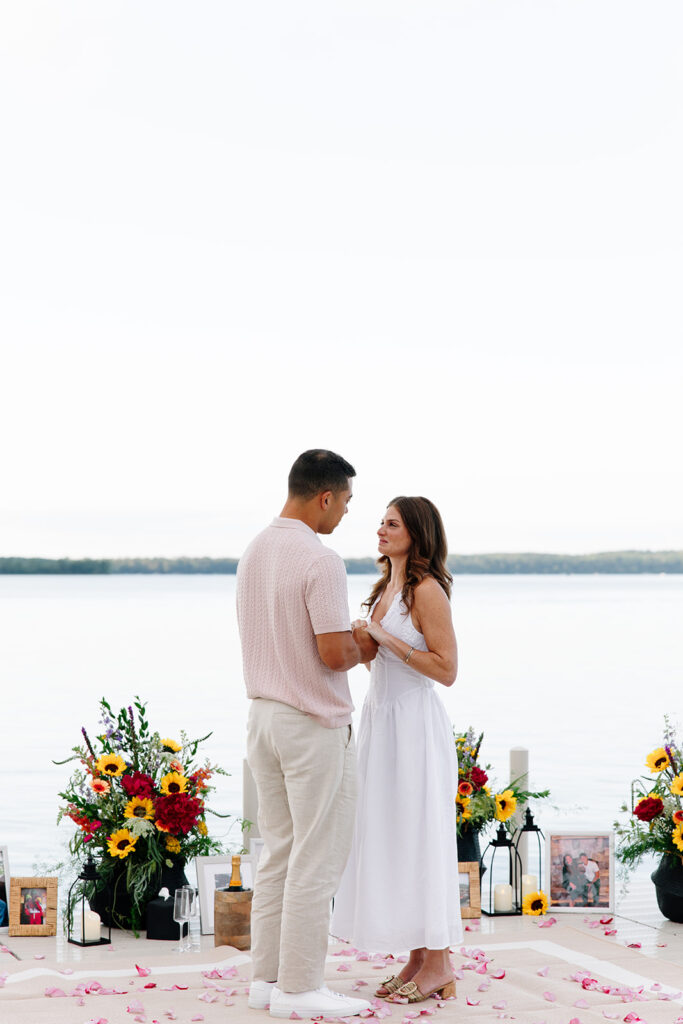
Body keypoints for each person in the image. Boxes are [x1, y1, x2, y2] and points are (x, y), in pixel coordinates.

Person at [237, 449, 378, 1021]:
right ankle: (299, 987)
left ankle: (266, 981)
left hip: (263, 718)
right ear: (325, 497)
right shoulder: (321, 560)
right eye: (345, 502)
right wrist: (366, 641)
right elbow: (333, 652)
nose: (345, 513)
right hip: (311, 724)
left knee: (278, 853)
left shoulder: (255, 550)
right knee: (316, 860)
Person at [331, 496, 462, 1005]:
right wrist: (364, 642)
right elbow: (381, 664)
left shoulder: (426, 591)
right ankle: (417, 957)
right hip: (381, 723)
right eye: (381, 522)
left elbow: (446, 670)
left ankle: (440, 963)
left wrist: (382, 635)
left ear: (417, 533)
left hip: (415, 728)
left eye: (392, 523)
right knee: (396, 838)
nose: (381, 530)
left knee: (421, 838)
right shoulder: (385, 587)